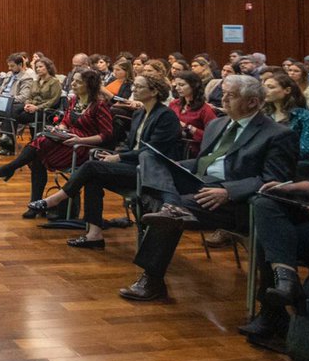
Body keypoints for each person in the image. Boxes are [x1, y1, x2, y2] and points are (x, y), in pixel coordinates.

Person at [119, 75, 297, 302]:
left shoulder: (277, 134)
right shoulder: (217, 124)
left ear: (252, 102)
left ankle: (152, 279)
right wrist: (176, 165)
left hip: (231, 198)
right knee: (149, 157)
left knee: (167, 208)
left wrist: (229, 191)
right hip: (199, 183)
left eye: (230, 95)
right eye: (223, 93)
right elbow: (204, 162)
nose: (223, 99)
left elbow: (273, 181)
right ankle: (171, 203)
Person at [28, 73, 179, 249]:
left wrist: (119, 157)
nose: (133, 89)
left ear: (154, 91)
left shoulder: (165, 116)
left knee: (91, 166)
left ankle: (57, 198)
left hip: (151, 171)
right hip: (131, 165)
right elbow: (132, 148)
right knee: (93, 176)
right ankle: (94, 235)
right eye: (134, 85)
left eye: (138, 87)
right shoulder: (139, 114)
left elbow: (153, 152)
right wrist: (116, 156)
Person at [243, 142, 309, 350]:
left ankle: (275, 309)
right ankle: (286, 281)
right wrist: (287, 187)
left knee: (273, 238)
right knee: (264, 202)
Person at [0, 69, 113, 215]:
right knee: (38, 153)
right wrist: (59, 130)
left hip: (83, 147)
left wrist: (80, 140)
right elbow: (66, 121)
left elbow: (106, 135)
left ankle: (11, 169)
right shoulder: (74, 100)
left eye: (78, 82)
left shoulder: (99, 105)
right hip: (67, 140)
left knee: (39, 148)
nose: (73, 83)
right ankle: (32, 203)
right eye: (73, 80)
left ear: (89, 85)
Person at [262, 70, 309, 161]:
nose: (265, 91)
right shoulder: (264, 114)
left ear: (287, 90)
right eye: (263, 87)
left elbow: (305, 151)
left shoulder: (306, 117)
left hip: (291, 166)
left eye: (270, 87)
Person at [170, 71, 218, 157]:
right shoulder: (174, 104)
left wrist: (188, 127)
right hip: (172, 145)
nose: (177, 88)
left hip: (191, 151)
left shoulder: (205, 109)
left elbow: (212, 136)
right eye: (176, 85)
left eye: (181, 85)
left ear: (193, 85)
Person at [14, 57, 62, 128]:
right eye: (36, 67)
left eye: (40, 67)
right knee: (11, 109)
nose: (38, 69)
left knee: (15, 115)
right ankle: (8, 136)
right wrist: (27, 104)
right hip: (31, 106)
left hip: (44, 110)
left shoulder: (54, 82)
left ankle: (8, 136)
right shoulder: (35, 81)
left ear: (48, 68)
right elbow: (29, 96)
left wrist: (37, 107)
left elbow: (53, 101)